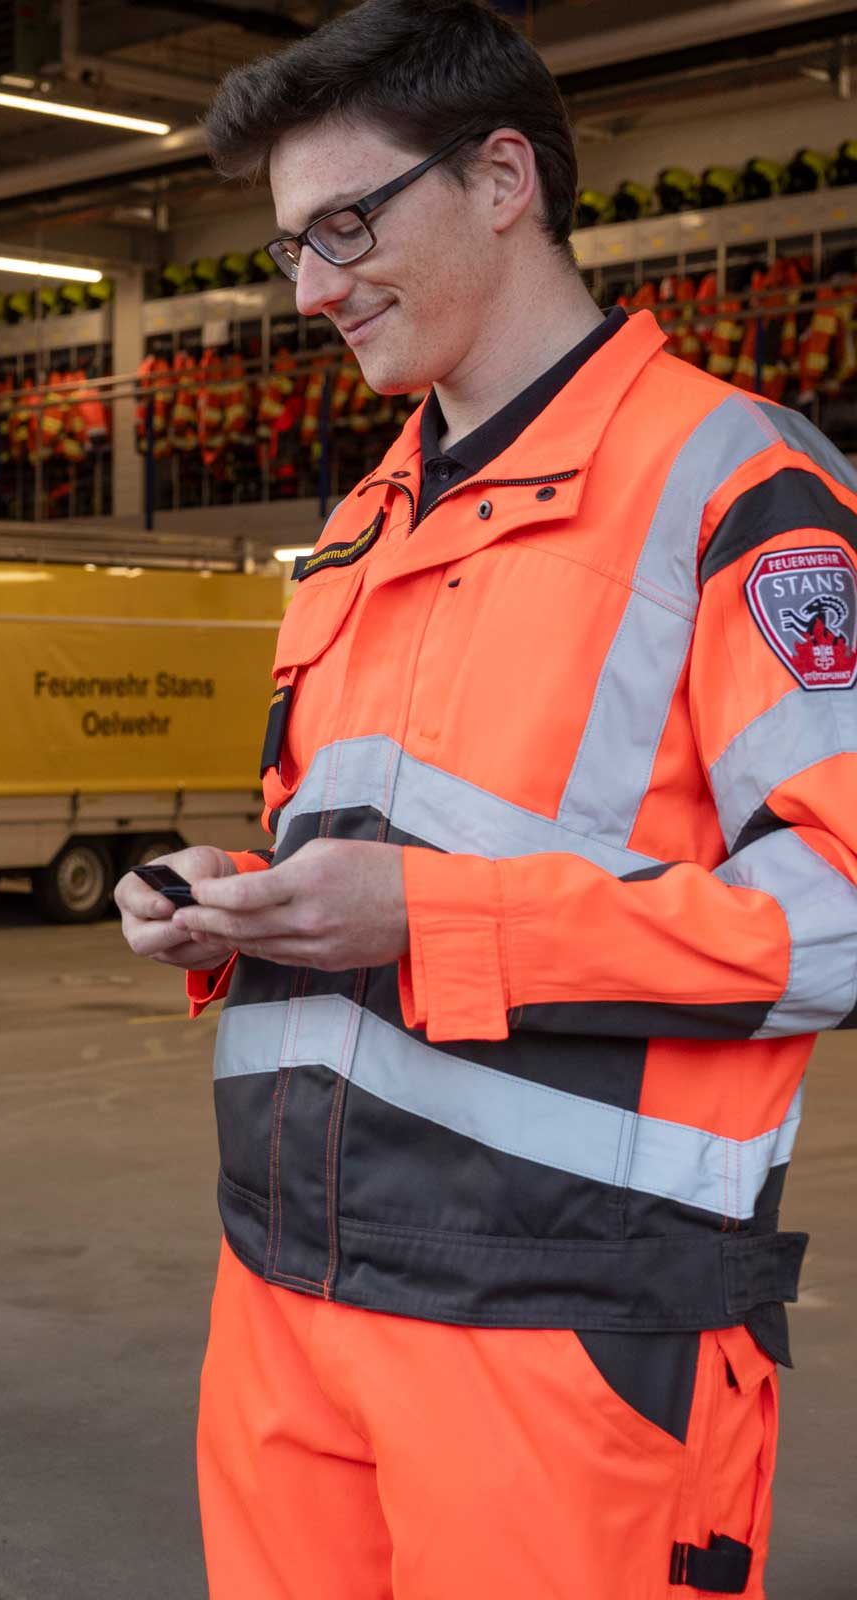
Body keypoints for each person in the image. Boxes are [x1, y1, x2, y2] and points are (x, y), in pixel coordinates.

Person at [118, 2, 851, 1594]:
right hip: (288, 1294)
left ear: (503, 176)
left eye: (345, 224)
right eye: (291, 247)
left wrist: (432, 919)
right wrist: (234, 899)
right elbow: (381, 844)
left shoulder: (734, 487)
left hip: (563, 1327)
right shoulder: (361, 522)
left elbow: (841, 918)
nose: (311, 289)